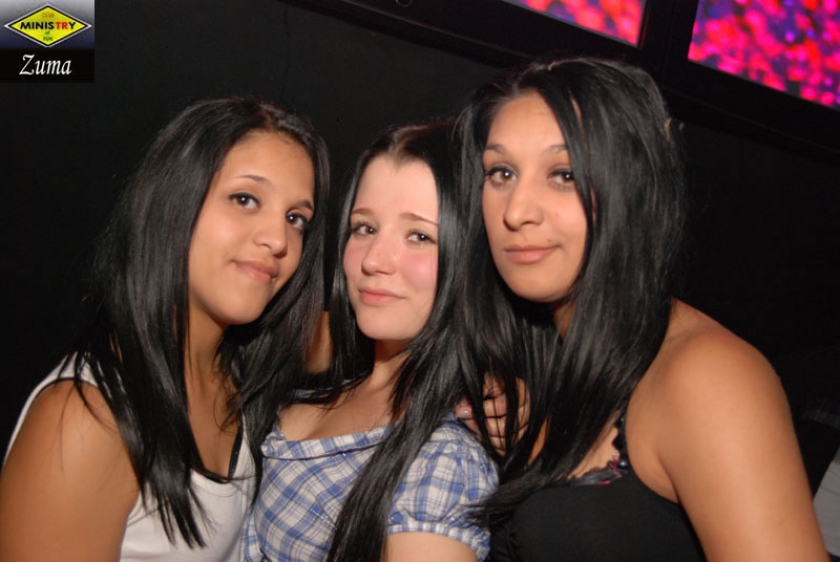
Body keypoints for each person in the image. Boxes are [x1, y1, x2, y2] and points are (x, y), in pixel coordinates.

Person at [454, 56, 827, 561]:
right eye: (501, 172)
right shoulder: (543, 357)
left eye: (563, 174)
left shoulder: (709, 378)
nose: (516, 210)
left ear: (632, 189)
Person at [0, 97, 330, 562]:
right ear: (175, 201)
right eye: (245, 199)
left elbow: (360, 342)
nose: (278, 239)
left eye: (296, 219)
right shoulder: (86, 422)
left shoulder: (240, 366)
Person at [243, 121, 497, 562]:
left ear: (470, 258)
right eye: (364, 228)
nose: (375, 260)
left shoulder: (442, 462)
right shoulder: (338, 369)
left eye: (420, 236)